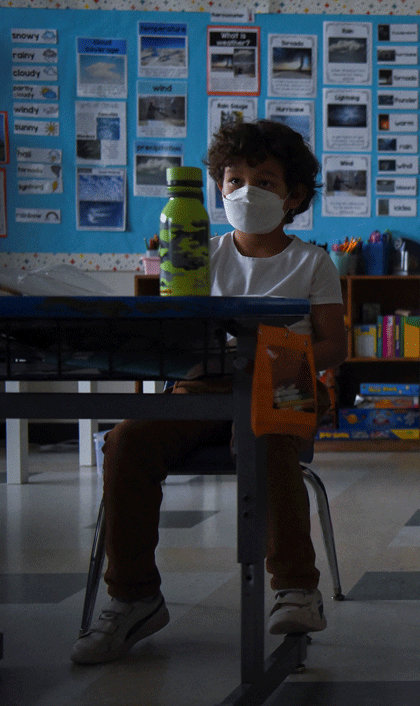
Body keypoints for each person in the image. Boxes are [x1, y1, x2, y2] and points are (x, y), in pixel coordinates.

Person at [72, 120, 346, 665]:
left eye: (265, 181)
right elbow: (167, 336)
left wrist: (271, 354)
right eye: (234, 178)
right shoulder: (199, 253)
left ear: (293, 196)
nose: (246, 191)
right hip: (203, 381)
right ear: (217, 187)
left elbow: (334, 347)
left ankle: (296, 588)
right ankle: (134, 599)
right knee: (127, 442)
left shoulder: (312, 261)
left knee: (264, 437)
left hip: (288, 378)